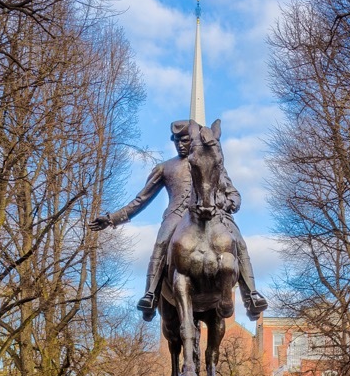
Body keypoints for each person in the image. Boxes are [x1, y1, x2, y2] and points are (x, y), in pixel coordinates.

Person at [89, 119, 267, 321]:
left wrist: (230, 203)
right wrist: (113, 219)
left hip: (212, 213)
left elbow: (232, 192)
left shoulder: (210, 160)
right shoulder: (165, 168)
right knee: (162, 242)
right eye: (176, 140)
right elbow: (141, 199)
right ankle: (151, 294)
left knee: (238, 242)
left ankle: (251, 295)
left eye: (185, 140)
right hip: (176, 215)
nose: (181, 144)